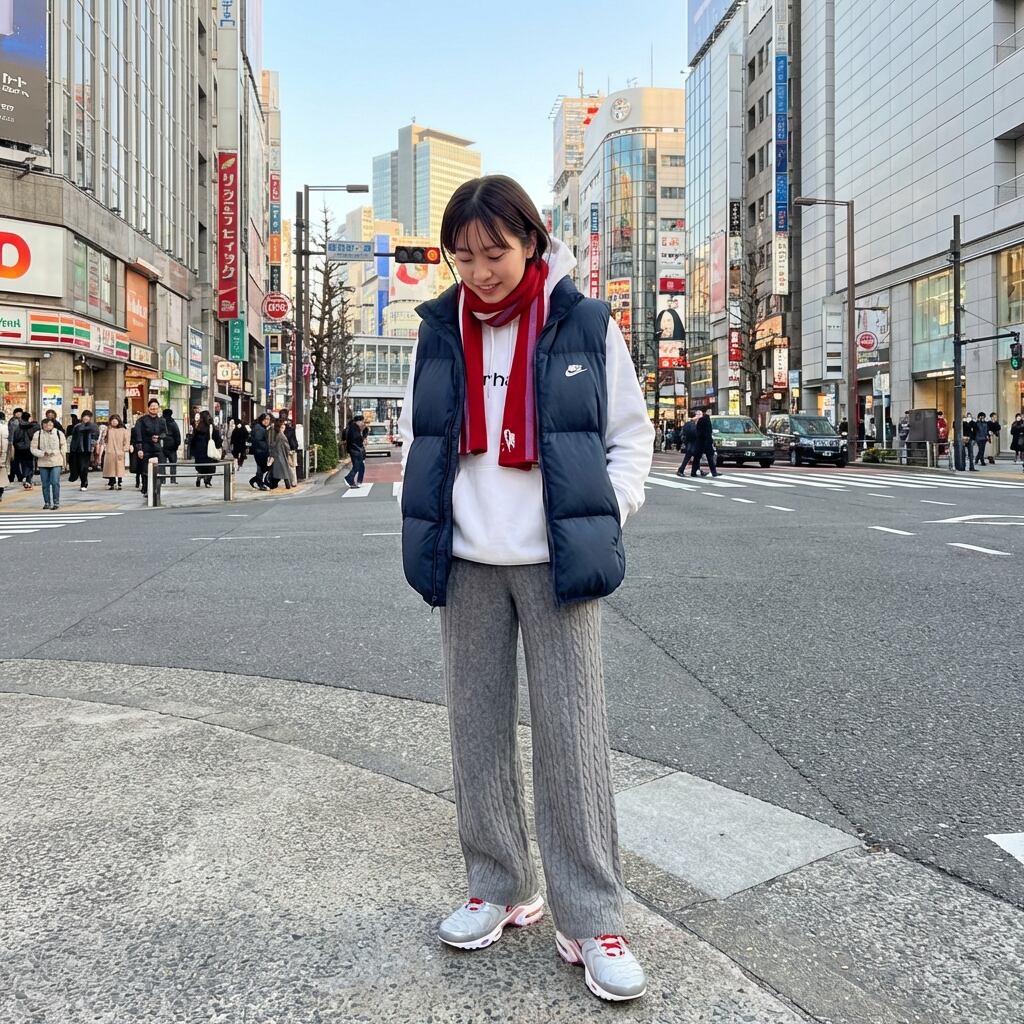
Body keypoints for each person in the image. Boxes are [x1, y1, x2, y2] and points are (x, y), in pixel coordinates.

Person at [399, 175, 652, 1001]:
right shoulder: (438, 329)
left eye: (495, 252)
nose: (479, 271)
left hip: (557, 560)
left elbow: (630, 437)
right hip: (469, 558)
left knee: (573, 738)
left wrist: (603, 510)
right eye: (463, 255)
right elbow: (417, 436)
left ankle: (591, 916)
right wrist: (429, 520)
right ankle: (498, 886)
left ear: (533, 242)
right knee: (475, 731)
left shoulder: (585, 322)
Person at [30, 417, 68, 510]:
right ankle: (47, 502)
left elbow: (64, 447)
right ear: (42, 425)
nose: (48, 426)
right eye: (45, 425)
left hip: (56, 461)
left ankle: (56, 502)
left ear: (53, 425)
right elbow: (33, 448)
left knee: (55, 482)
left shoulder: (59, 433)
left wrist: (63, 460)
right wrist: (42, 453)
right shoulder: (38, 434)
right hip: (43, 462)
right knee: (45, 484)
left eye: (50, 424)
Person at [133, 398, 168, 496]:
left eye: (156, 407)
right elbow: (138, 435)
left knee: (158, 471)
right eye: (152, 407)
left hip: (157, 449)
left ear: (158, 408)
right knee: (145, 471)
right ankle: (146, 488)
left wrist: (159, 437)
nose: (154, 408)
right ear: (148, 408)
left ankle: (156, 490)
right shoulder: (141, 420)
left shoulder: (162, 420)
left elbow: (165, 433)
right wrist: (139, 449)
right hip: (145, 448)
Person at [68, 410, 99, 490]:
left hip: (87, 450)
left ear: (90, 418)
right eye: (84, 416)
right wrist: (72, 448)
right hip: (77, 449)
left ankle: (84, 483)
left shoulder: (93, 426)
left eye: (87, 416)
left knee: (84, 467)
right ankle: (82, 480)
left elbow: (95, 437)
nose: (86, 418)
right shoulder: (77, 426)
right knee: (78, 466)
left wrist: (92, 447)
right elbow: (73, 438)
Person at [190, 410, 222, 488]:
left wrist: (193, 451)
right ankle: (207, 481)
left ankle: (200, 476)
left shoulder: (197, 427)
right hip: (209, 451)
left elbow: (193, 440)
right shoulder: (211, 427)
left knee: (201, 467)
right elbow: (217, 438)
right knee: (210, 467)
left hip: (199, 452)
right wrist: (218, 447)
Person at [101, 414, 131, 490]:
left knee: (119, 468)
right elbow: (104, 439)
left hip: (119, 451)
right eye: (112, 421)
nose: (114, 422)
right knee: (110, 469)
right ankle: (112, 482)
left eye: (115, 420)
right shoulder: (108, 430)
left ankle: (119, 482)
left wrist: (125, 448)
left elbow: (127, 440)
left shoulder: (123, 430)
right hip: (110, 452)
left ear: (119, 421)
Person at [693, 406, 720, 477]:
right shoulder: (707, 419)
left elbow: (698, 431)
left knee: (697, 457)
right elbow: (708, 432)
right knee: (710, 458)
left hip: (700, 441)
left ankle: (693, 472)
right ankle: (714, 472)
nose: (710, 412)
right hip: (706, 441)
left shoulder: (701, 420)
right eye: (710, 411)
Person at [269, 418, 294, 489]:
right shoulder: (281, 436)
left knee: (281, 471)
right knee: (284, 471)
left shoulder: (277, 434)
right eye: (282, 426)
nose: (284, 427)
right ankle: (288, 484)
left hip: (278, 455)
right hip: (281, 455)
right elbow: (287, 447)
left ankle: (287, 484)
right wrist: (289, 453)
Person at [249, 413, 271, 490]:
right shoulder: (259, 428)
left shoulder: (261, 428)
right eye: (265, 419)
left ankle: (255, 480)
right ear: (262, 419)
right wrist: (266, 448)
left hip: (260, 451)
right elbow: (258, 441)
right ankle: (260, 483)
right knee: (262, 468)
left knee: (262, 468)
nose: (267, 421)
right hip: (260, 451)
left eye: (268, 419)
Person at [344, 413, 366, 488]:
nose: (363, 423)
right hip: (355, 449)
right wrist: (362, 437)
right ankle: (349, 478)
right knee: (357, 465)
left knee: (360, 466)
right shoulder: (354, 428)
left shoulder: (353, 427)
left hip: (354, 449)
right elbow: (356, 439)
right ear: (358, 421)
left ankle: (355, 481)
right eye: (362, 421)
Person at [675, 410, 699, 476]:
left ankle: (696, 470)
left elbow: (682, 434)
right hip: (693, 443)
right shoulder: (694, 425)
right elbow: (696, 434)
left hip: (688, 443)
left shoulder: (687, 424)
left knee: (693, 457)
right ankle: (682, 470)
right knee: (691, 457)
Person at [162, 409, 182, 483]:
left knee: (162, 464)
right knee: (173, 463)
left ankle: (162, 480)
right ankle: (173, 480)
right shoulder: (173, 423)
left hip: (162, 445)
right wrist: (177, 444)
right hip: (172, 446)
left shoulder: (160, 422)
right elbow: (177, 435)